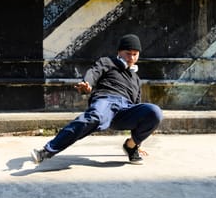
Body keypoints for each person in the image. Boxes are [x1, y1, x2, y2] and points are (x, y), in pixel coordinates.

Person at [31, 33, 163, 165]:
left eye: (135, 54)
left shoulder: (136, 80)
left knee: (154, 111)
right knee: (93, 117)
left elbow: (137, 108)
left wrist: (138, 142)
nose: (131, 58)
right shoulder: (108, 62)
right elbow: (94, 72)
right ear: (119, 52)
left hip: (125, 111)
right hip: (106, 102)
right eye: (128, 53)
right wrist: (87, 84)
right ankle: (46, 151)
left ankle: (130, 146)